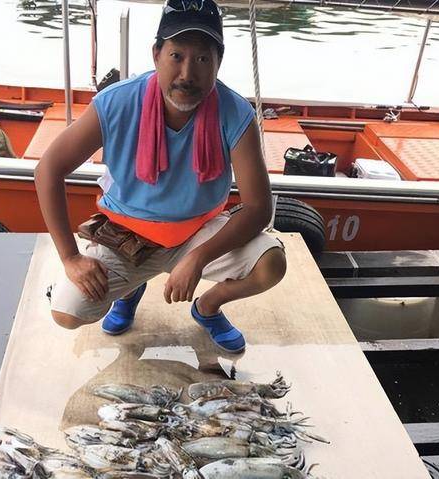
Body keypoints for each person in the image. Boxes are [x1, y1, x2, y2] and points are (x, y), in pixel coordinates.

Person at [35, 0, 286, 354]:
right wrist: (70, 258)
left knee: (271, 264)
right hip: (126, 233)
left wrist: (198, 258)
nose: (187, 74)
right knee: (67, 312)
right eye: (176, 56)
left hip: (198, 231)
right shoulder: (116, 102)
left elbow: (258, 207)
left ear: (218, 62)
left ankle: (208, 307)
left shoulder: (234, 112)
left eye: (202, 59)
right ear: (156, 55)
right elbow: (48, 169)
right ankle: (129, 289)